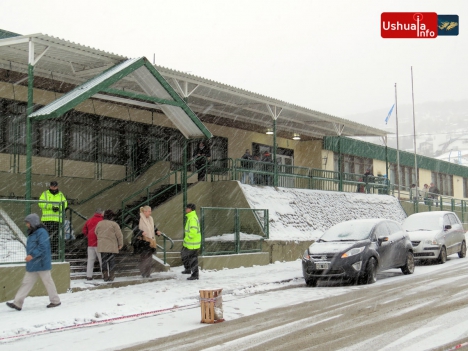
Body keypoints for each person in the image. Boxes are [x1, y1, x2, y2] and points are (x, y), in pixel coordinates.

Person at [6, 213, 61, 311]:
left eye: (28, 222)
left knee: (48, 282)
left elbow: (43, 247)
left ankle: (55, 301)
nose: (27, 224)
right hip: (33, 263)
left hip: (41, 262)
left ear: (33, 223)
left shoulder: (41, 232)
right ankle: (17, 303)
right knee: (26, 283)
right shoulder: (33, 232)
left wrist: (32, 255)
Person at [38, 181, 68, 257]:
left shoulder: (61, 195)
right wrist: (51, 207)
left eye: (55, 186)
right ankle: (47, 251)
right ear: (50, 186)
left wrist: (58, 208)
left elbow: (65, 204)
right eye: (52, 186)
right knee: (47, 236)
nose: (53, 187)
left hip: (57, 220)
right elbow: (41, 203)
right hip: (47, 219)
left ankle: (54, 251)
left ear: (57, 186)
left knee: (56, 237)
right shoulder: (45, 194)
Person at [132, 206, 161, 278]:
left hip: (150, 241)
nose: (150, 213)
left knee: (149, 258)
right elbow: (134, 228)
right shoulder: (138, 218)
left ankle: (147, 273)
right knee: (144, 257)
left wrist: (156, 231)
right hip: (142, 241)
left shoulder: (150, 219)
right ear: (144, 212)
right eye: (149, 211)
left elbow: (152, 227)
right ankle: (144, 272)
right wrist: (141, 232)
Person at [95, 210, 123, 282]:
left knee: (104, 261)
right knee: (111, 261)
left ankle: (105, 276)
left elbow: (96, 232)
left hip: (102, 245)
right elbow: (119, 235)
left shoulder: (99, 223)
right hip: (112, 245)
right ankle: (111, 276)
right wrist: (120, 244)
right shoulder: (114, 224)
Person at [82, 209, 104, 281]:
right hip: (99, 243)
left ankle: (89, 275)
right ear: (102, 213)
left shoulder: (89, 220)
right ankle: (104, 275)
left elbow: (84, 230)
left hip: (90, 243)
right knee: (101, 260)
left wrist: (89, 235)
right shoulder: (102, 221)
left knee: (90, 260)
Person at [181, 203, 201, 280]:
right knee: (184, 254)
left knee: (193, 259)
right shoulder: (191, 217)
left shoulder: (192, 218)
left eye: (187, 208)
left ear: (190, 209)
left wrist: (187, 238)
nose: (186, 209)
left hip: (192, 243)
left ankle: (195, 274)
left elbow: (193, 231)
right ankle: (188, 269)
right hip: (190, 242)